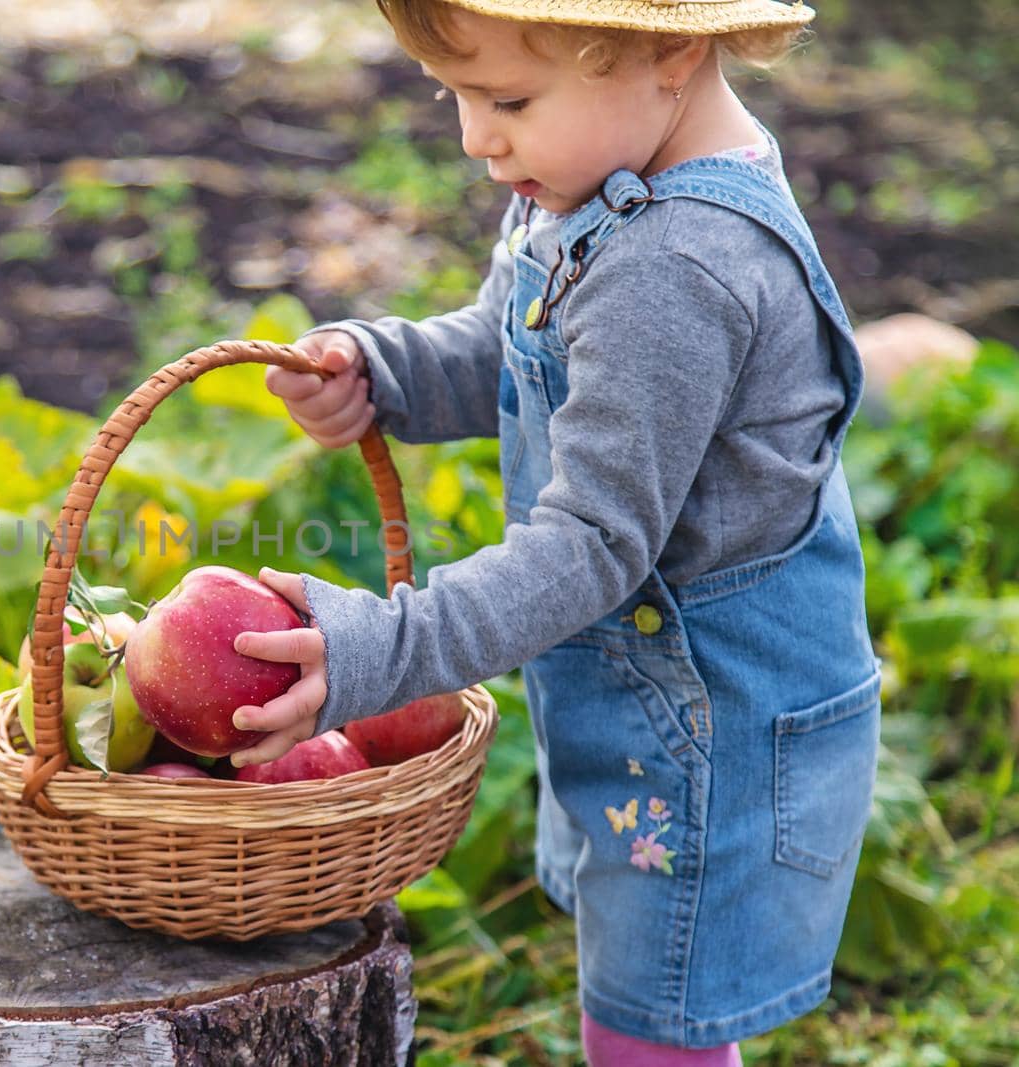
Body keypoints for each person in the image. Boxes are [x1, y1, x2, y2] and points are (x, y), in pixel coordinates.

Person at [225, 1, 882, 1062]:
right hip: (649, 709)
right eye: (458, 97)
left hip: (713, 731)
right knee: (638, 1001)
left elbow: (592, 545)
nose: (475, 139)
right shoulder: (596, 184)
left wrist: (377, 649)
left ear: (667, 50)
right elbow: (514, 342)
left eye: (508, 101)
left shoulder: (675, 264)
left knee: (649, 1021)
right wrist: (385, 369)